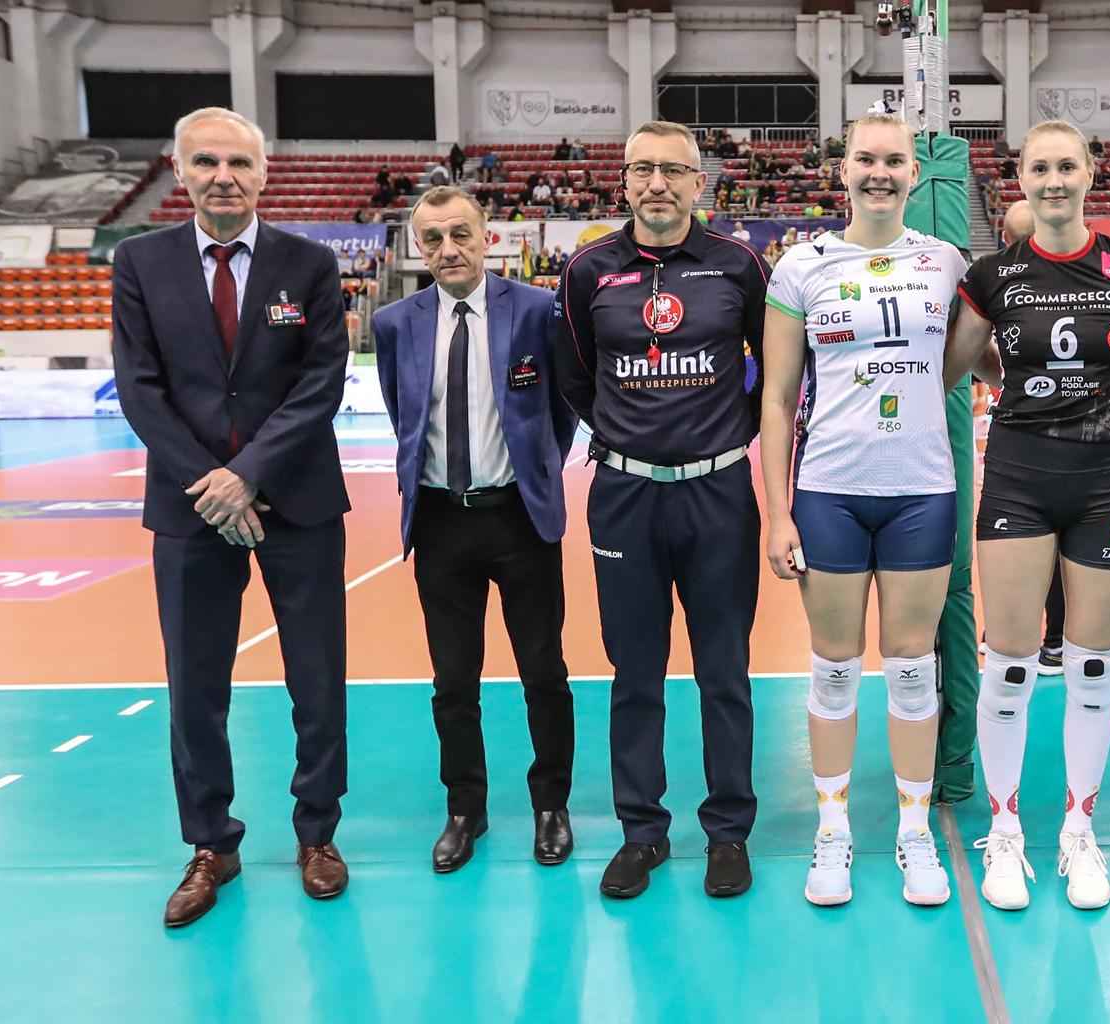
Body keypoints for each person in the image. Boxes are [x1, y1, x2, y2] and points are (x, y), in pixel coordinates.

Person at [111, 106, 352, 927]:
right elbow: (140, 387)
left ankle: (317, 834)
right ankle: (211, 843)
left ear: (263, 173)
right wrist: (209, 484)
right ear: (178, 170)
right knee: (195, 686)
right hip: (189, 509)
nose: (224, 176)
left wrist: (246, 475)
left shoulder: (310, 262)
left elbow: (321, 382)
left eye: (239, 162)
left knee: (316, 678)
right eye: (207, 161)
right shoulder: (139, 261)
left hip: (299, 500)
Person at [949, 119, 1110, 912]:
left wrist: (1108, 436)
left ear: (1089, 174)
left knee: (1091, 663)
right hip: (1017, 479)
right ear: (1020, 179)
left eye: (1066, 167)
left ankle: (1079, 831)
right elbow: (958, 365)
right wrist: (1011, 384)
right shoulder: (993, 274)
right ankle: (1005, 831)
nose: (1053, 181)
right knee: (1010, 664)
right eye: (1039, 168)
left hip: (1105, 485)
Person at [758, 112, 972, 907]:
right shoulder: (800, 266)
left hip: (921, 491)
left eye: (894, 160)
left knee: (914, 670)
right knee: (835, 669)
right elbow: (777, 399)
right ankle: (833, 832)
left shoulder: (945, 262)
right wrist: (778, 513)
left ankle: (915, 834)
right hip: (830, 494)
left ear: (916, 173)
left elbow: (967, 362)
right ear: (842, 170)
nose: (879, 172)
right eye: (865, 159)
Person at [554, 120, 771, 901]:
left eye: (673, 171)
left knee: (725, 670)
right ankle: (641, 832)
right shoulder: (587, 270)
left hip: (719, 494)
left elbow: (774, 370)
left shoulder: (738, 264)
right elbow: (575, 378)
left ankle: (728, 831)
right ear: (623, 180)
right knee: (635, 671)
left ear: (698, 183)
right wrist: (630, 437)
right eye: (642, 169)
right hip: (625, 496)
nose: (657, 184)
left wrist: (729, 434)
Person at [372, 186, 579, 874]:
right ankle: (465, 808)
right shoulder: (394, 324)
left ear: (489, 237)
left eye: (460, 233)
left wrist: (534, 476)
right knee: (453, 679)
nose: (448, 249)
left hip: (521, 517)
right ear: (418, 248)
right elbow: (402, 415)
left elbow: (560, 412)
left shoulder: (538, 311)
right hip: (440, 522)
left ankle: (551, 805)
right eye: (432, 238)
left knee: (543, 671)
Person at [998, 198, 1067, 674]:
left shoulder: (1000, 281)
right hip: (1046, 449)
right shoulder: (999, 283)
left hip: (1036, 450)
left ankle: (1050, 639)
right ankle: (1051, 641)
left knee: (1034, 549)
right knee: (1049, 552)